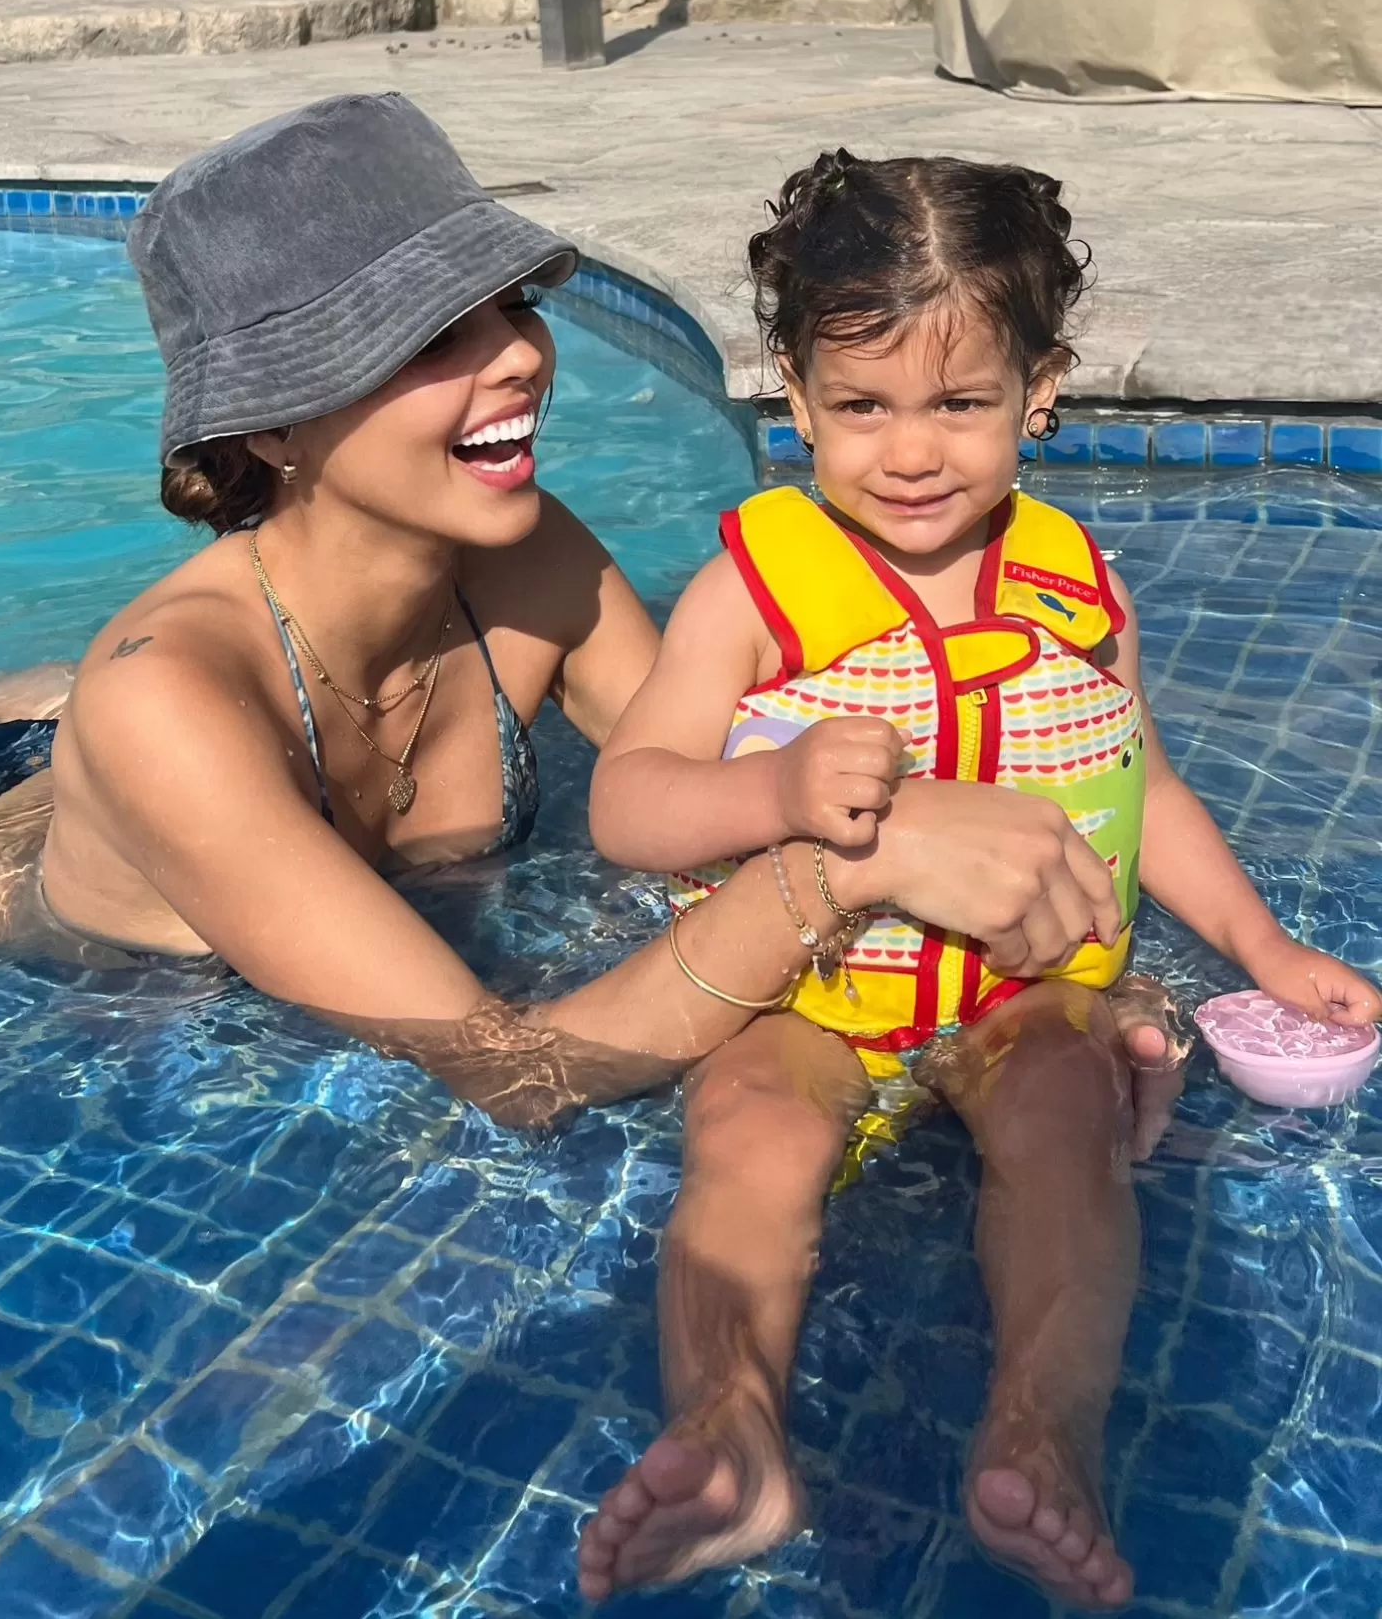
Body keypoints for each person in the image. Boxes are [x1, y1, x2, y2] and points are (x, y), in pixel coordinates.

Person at [0, 99, 1128, 1134]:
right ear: (266, 421)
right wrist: (866, 868)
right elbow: (520, 1073)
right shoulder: (170, 706)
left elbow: (731, 787)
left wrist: (1075, 982)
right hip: (86, 949)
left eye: (510, 306)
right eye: (432, 338)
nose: (517, 355)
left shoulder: (525, 558)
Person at [581, 151, 1382, 1609]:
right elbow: (627, 801)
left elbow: (1143, 790)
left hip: (1017, 994)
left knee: (1072, 1121)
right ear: (792, 384)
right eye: (861, 405)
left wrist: (1260, 944)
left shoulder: (1078, 580)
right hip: (808, 995)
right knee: (746, 1124)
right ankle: (732, 1421)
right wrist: (771, 790)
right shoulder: (753, 586)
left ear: (1045, 383)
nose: (909, 451)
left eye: (960, 402)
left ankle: (1043, 1428)